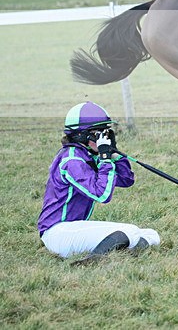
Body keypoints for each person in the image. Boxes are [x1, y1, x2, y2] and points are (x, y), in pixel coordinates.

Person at [37, 101, 160, 264]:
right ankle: (92, 260)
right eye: (99, 133)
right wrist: (104, 159)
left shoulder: (86, 155)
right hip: (58, 233)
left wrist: (114, 154)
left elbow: (126, 180)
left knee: (151, 235)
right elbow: (101, 195)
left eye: (106, 132)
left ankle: (118, 253)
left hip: (75, 229)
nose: (105, 138)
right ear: (82, 135)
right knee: (130, 232)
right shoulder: (71, 160)